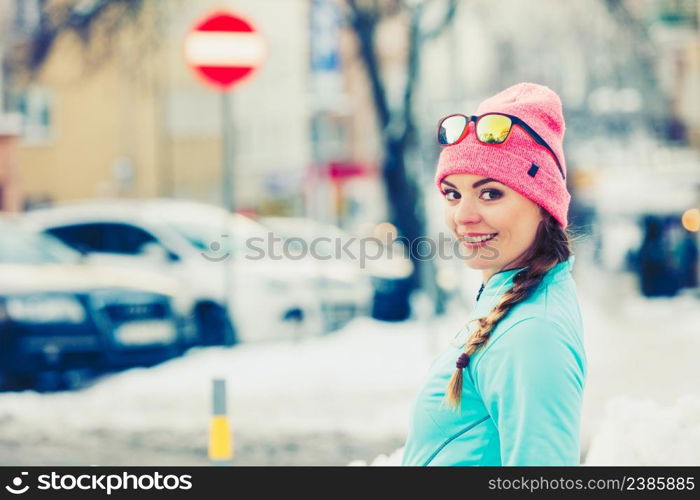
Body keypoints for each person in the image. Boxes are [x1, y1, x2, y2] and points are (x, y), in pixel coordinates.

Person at [401, 82, 587, 466]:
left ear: (542, 203)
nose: (463, 216)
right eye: (453, 194)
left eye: (490, 194)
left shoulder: (533, 331)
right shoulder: (512, 296)